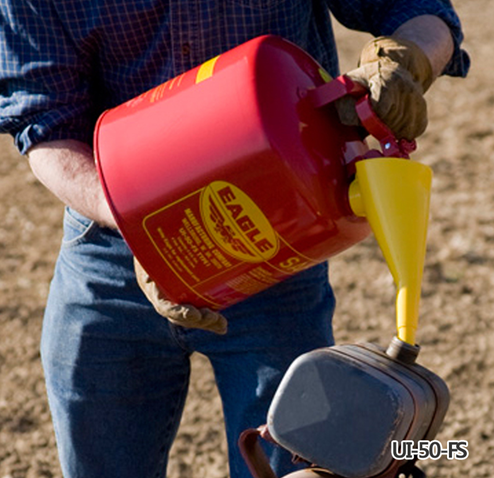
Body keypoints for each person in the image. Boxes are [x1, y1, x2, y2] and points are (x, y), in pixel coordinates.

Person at [0, 2, 469, 477]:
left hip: (275, 250)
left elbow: (420, 10)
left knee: (294, 467)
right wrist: (144, 228)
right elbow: (44, 122)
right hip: (111, 249)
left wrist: (408, 58)